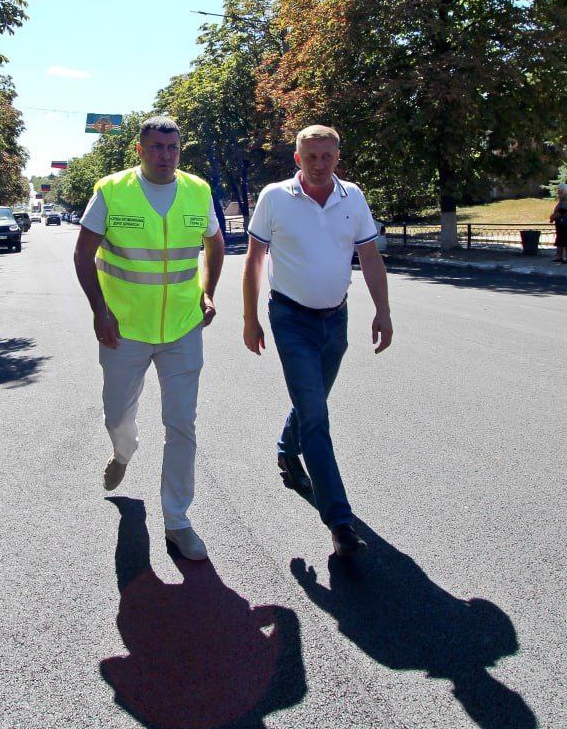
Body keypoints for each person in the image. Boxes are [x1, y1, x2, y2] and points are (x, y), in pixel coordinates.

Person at [73, 115, 226, 561]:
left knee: (182, 425)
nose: (165, 155)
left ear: (181, 151)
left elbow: (214, 243)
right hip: (123, 329)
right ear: (140, 150)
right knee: (117, 415)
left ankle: (177, 521)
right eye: (156, 147)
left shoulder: (198, 190)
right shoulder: (112, 190)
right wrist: (100, 311)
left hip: (182, 327)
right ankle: (123, 451)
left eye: (173, 148)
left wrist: (208, 292)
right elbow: (83, 252)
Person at [241, 125, 392, 560]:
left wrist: (383, 311)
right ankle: (340, 522)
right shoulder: (275, 198)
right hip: (290, 319)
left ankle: (288, 452)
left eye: (328, 156)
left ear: (338, 156)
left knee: (312, 405)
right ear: (297, 159)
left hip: (336, 318)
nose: (320, 164)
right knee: (317, 418)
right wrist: (250, 318)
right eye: (312, 157)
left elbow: (369, 255)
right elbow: (254, 258)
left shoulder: (353, 197)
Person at [550, 184, 567, 264]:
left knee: (566, 240)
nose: (558, 191)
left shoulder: (566, 199)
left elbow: (562, 211)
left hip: (564, 222)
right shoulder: (563, 199)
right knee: (560, 239)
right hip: (561, 222)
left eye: (559, 190)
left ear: (563, 191)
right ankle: (559, 257)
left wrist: (553, 217)